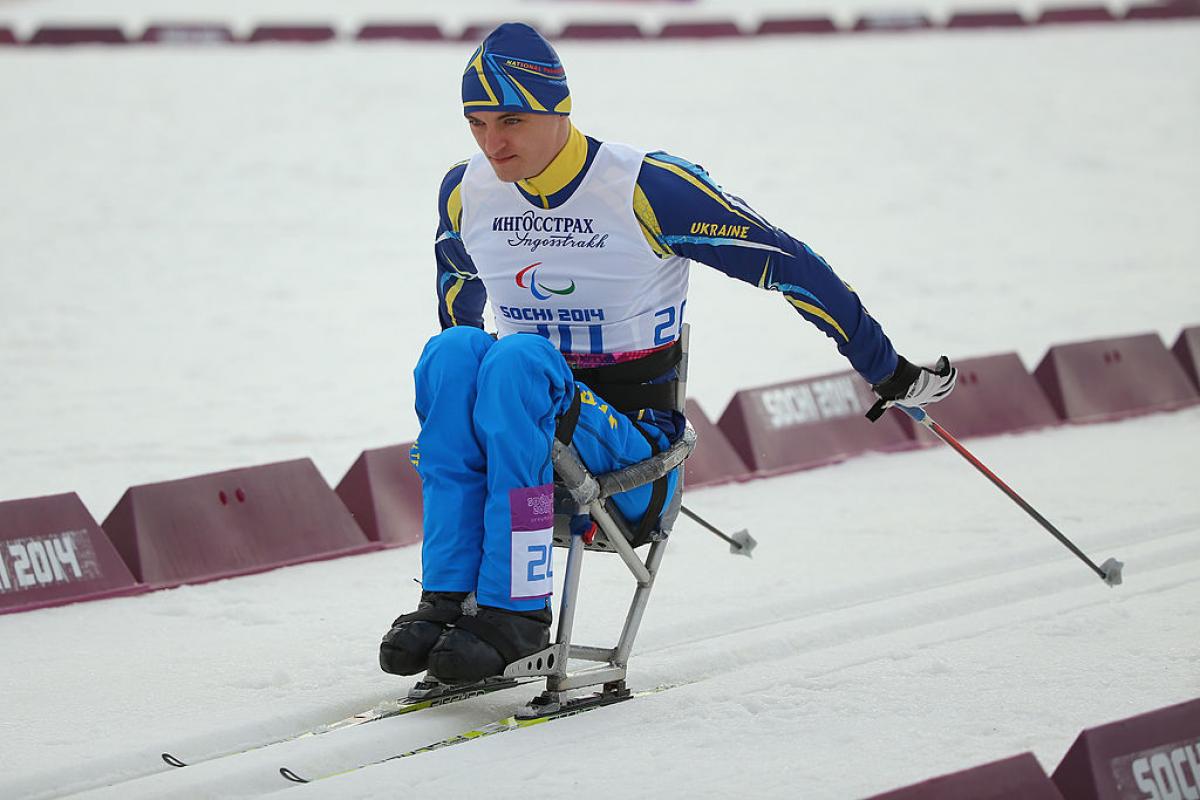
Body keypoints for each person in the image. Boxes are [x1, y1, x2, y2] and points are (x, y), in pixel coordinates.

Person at [379, 23, 957, 685]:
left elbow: (786, 262)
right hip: (531, 429)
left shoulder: (645, 186)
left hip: (635, 459)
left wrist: (885, 367)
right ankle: (448, 598)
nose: (492, 143)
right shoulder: (466, 191)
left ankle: (518, 610)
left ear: (557, 109)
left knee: (517, 363)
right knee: (452, 354)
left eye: (510, 119)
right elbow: (458, 310)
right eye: (477, 123)